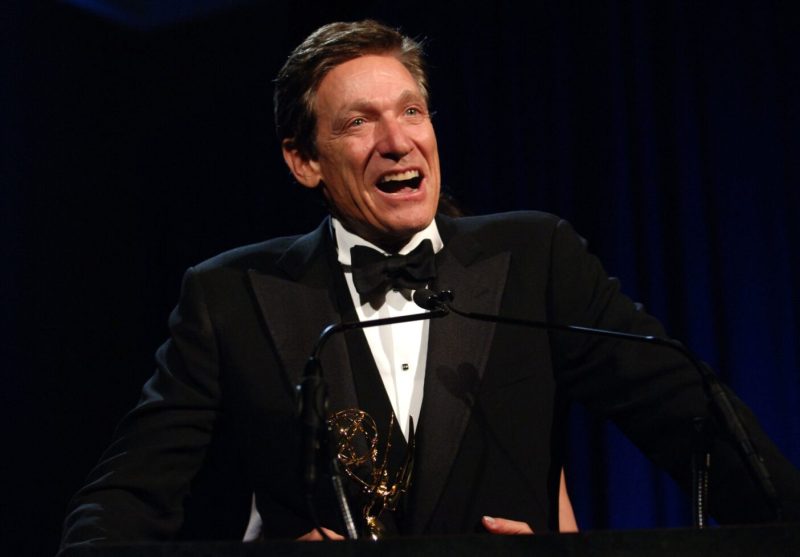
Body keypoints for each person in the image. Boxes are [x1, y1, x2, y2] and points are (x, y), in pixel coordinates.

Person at [60, 20, 799, 549]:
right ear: (303, 160)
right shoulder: (229, 294)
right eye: (359, 121)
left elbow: (693, 420)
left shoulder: (533, 255)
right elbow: (129, 493)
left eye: (411, 110)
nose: (397, 139)